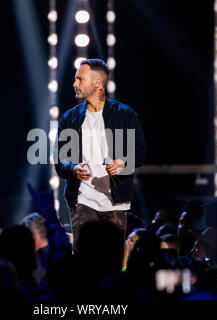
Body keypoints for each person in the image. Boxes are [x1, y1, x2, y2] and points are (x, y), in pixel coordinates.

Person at [55, 59, 146, 251]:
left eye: (79, 79)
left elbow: (140, 152)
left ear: (97, 83)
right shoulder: (69, 119)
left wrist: (122, 162)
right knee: (83, 259)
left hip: (116, 202)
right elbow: (60, 161)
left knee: (112, 260)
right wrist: (73, 169)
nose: (75, 84)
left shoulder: (125, 115)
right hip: (82, 201)